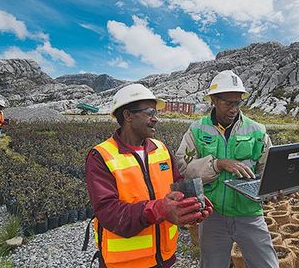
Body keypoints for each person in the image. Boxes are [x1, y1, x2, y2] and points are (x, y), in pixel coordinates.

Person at [85, 83, 213, 268]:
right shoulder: (101, 156)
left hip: (164, 258)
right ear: (128, 115)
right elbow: (108, 212)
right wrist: (159, 209)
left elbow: (177, 184)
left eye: (156, 113)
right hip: (125, 263)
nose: (156, 119)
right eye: (149, 112)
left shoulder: (161, 149)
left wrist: (191, 207)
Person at [175, 70, 278, 268]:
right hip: (213, 215)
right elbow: (184, 170)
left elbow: (268, 169)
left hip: (250, 214)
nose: (233, 109)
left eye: (237, 103)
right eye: (228, 103)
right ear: (213, 99)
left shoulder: (257, 130)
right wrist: (217, 164)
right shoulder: (197, 129)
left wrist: (274, 188)